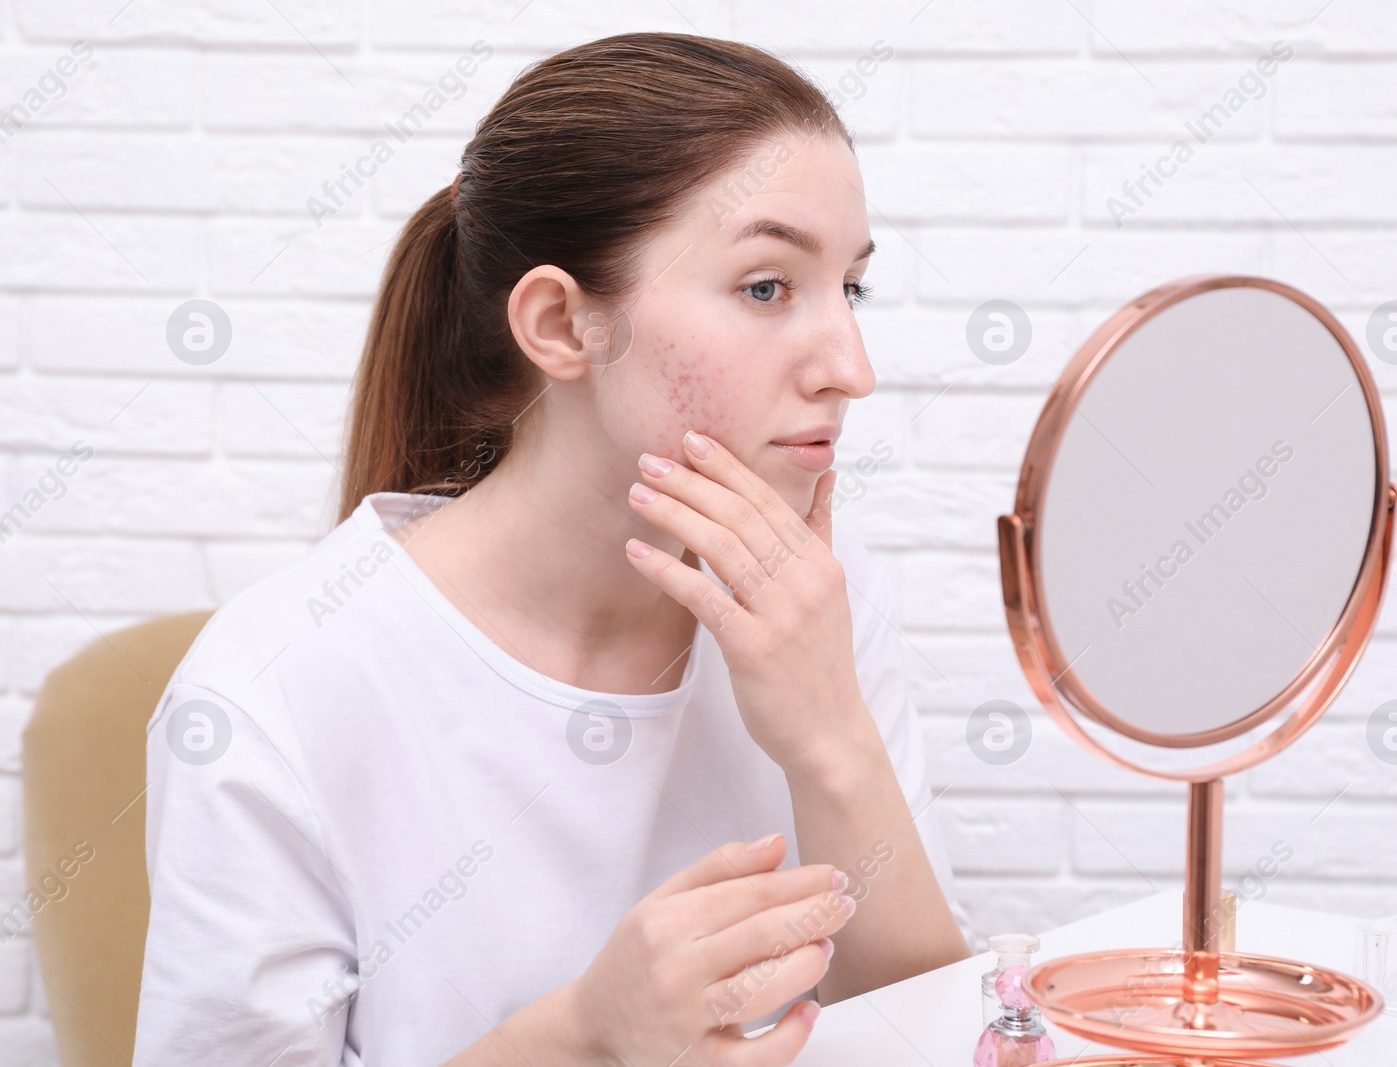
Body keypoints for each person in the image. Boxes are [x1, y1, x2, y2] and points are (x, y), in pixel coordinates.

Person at [132, 31, 972, 1067]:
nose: (851, 366)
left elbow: (938, 1037)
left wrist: (832, 738)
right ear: (564, 324)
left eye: (850, 288)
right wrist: (578, 1039)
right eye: (766, 287)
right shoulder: (271, 692)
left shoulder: (813, 608)